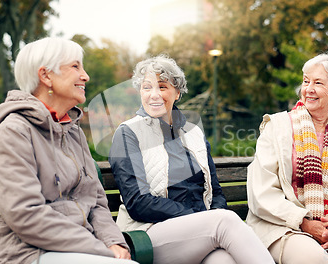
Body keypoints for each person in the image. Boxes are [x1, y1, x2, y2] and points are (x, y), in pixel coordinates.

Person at [0, 37, 136, 264]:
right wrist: (100, 251)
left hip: (79, 251)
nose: (85, 76)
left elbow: (96, 201)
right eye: (75, 66)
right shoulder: (14, 131)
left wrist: (114, 242)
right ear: (45, 76)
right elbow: (26, 215)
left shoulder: (73, 132)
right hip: (25, 254)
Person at [109, 55, 274, 264]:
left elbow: (216, 192)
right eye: (146, 87)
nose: (154, 95)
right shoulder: (128, 133)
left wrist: (207, 215)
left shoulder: (194, 133)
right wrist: (196, 216)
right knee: (225, 221)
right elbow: (137, 202)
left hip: (200, 232)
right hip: (146, 234)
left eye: (162, 87)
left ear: (177, 92)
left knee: (224, 260)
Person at [246, 53, 328, 264]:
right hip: (282, 226)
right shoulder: (277, 127)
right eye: (306, 81)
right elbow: (262, 191)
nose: (308, 89)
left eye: (318, 83)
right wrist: (305, 223)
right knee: (313, 259)